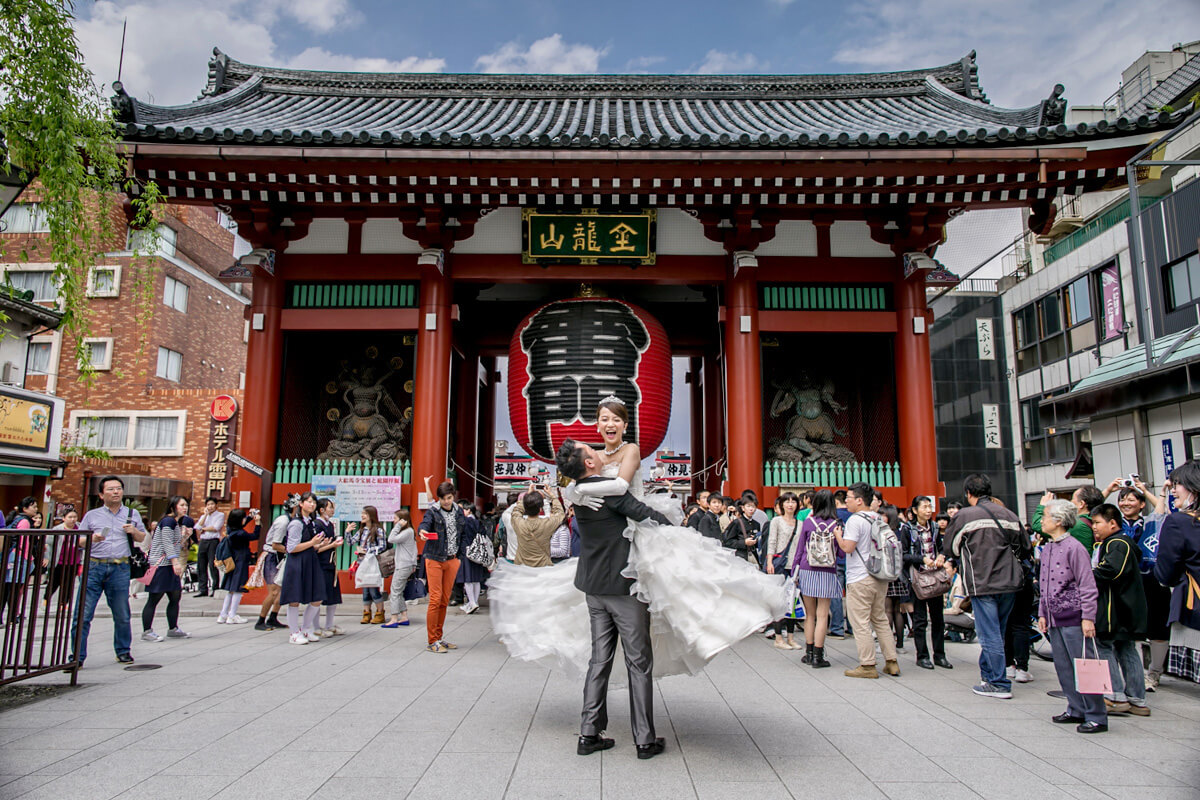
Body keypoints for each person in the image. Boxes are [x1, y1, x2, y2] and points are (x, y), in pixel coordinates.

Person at [489, 397, 787, 682]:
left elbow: (619, 486)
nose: (609, 424)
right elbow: (580, 478)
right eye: (604, 419)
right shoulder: (595, 457)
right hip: (617, 536)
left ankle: (714, 626)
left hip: (640, 522)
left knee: (684, 585)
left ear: (624, 424)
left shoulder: (629, 449)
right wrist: (573, 491)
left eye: (616, 419)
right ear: (596, 425)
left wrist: (580, 492)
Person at [557, 437, 671, 760]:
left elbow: (574, 490)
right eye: (589, 449)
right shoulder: (608, 491)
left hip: (593, 586)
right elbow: (646, 514)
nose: (595, 447)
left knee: (599, 660)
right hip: (624, 589)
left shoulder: (579, 492)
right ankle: (645, 740)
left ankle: (588, 733)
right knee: (638, 662)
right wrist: (680, 530)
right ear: (589, 463)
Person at [943, 474, 1028, 699]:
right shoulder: (1008, 514)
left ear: (968, 494)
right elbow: (1024, 547)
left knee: (989, 633)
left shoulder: (965, 516)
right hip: (1010, 582)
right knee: (997, 630)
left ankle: (998, 683)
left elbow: (951, 547)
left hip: (982, 581)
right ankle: (989, 675)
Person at [1038, 498, 1107, 733]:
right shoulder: (1048, 547)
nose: (1042, 521)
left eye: (1046, 516)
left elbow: (1087, 585)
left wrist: (1088, 617)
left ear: (1058, 521)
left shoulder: (1075, 547)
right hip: (1055, 617)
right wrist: (1042, 613)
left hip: (1074, 616)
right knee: (1064, 666)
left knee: (1083, 666)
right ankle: (1075, 708)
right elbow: (1044, 585)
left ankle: (1096, 715)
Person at [71, 476, 146, 665]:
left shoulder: (132, 514)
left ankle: (123, 651)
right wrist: (92, 539)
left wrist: (133, 531)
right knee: (83, 614)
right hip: (94, 566)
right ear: (101, 494)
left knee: (122, 613)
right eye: (111, 489)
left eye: (119, 488)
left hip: (120, 567)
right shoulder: (92, 515)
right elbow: (79, 542)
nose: (115, 492)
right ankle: (77, 657)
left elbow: (141, 537)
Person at [1107, 479, 1171, 691]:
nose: (1125, 503)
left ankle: (1154, 674)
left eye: (1131, 499)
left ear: (1142, 504)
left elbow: (1162, 512)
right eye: (1122, 499)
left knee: (1158, 628)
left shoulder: (1151, 523)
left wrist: (1147, 490)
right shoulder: (1114, 525)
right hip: (1124, 583)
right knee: (1129, 629)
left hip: (1152, 580)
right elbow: (1091, 512)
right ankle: (1134, 674)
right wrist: (1109, 489)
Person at [834, 482, 899, 679]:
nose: (846, 502)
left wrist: (838, 536)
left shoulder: (855, 520)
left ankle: (868, 664)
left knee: (860, 622)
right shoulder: (878, 518)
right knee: (879, 619)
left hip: (860, 577)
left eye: (849, 498)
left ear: (860, 500)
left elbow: (848, 547)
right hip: (879, 576)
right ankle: (891, 661)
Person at [1090, 503, 1149, 716]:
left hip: (1115, 609)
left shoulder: (1117, 543)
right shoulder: (1123, 542)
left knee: (1106, 646)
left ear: (1113, 523)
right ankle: (1136, 699)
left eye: (1097, 523)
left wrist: (1086, 573)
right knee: (1127, 649)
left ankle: (1115, 696)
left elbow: (1110, 571)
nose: (1094, 527)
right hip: (1127, 608)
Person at [1154, 461, 1200, 685]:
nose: (1173, 489)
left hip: (1195, 609)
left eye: (1177, 484)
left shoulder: (1179, 522)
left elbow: (1165, 573)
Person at [901, 495, 952, 670]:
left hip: (935, 577)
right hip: (919, 578)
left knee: (938, 618)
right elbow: (903, 555)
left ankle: (940, 655)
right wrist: (922, 559)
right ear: (915, 511)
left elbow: (942, 547)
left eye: (929, 507)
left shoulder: (935, 527)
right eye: (924, 507)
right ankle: (922, 656)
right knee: (920, 619)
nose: (928, 510)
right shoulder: (908, 529)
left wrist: (941, 556)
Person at [418, 480, 468, 653]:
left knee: (445, 599)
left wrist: (460, 557)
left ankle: (439, 637)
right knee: (435, 598)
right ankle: (432, 640)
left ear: (453, 496)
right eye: (442, 498)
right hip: (434, 558)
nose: (446, 501)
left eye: (448, 498)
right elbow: (424, 524)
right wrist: (422, 532)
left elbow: (463, 534)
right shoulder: (433, 512)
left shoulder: (459, 511)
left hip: (453, 559)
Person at [794, 489, 841, 668]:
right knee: (822, 615)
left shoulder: (807, 522)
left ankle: (809, 652)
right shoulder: (835, 524)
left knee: (810, 615)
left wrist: (795, 573)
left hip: (807, 569)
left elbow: (800, 549)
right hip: (827, 571)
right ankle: (818, 657)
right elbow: (841, 552)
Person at [141, 495, 190, 642]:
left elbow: (175, 544)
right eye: (181, 505)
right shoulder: (168, 521)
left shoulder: (175, 522)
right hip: (162, 565)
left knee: (175, 596)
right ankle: (147, 631)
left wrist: (185, 537)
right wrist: (176, 563)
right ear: (173, 506)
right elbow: (167, 543)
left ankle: (173, 628)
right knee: (154, 598)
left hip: (169, 565)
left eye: (186, 505)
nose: (185, 507)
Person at [279, 492, 327, 645]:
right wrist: (312, 543)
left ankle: (306, 628)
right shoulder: (296, 523)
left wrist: (320, 545)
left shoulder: (311, 523)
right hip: (297, 563)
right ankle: (294, 632)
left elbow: (310, 545)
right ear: (301, 504)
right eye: (308, 501)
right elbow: (291, 548)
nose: (312, 505)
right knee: (294, 599)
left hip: (310, 561)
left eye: (314, 502)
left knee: (317, 597)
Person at [766, 491, 803, 650]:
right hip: (779, 564)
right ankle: (779, 637)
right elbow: (771, 541)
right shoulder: (776, 521)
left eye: (793, 501)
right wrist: (769, 562)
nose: (790, 504)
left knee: (792, 602)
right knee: (779, 601)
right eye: (786, 501)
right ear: (781, 504)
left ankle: (791, 637)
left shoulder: (800, 523)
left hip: (793, 566)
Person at [255, 495, 298, 631]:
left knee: (281, 590)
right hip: (273, 557)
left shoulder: (292, 520)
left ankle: (273, 617)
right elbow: (275, 544)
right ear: (294, 507)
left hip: (282, 556)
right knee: (273, 591)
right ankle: (261, 620)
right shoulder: (283, 521)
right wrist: (292, 550)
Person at [880, 504, 911, 655]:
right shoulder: (900, 531)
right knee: (898, 610)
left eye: (883, 515)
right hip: (900, 575)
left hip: (886, 574)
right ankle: (900, 644)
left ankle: (887, 645)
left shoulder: (884, 533)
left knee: (887, 610)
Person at [349, 505, 387, 624]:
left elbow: (383, 546)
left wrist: (369, 550)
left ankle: (380, 613)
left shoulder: (378, 530)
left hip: (372, 563)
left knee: (373, 589)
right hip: (362, 563)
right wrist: (348, 532)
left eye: (365, 513)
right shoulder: (362, 530)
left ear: (371, 515)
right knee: (365, 588)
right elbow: (350, 542)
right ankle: (366, 613)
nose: (362, 516)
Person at [313, 498, 345, 636]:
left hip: (331, 563)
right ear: (322, 510)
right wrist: (332, 545)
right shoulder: (317, 525)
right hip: (320, 563)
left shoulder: (330, 525)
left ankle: (329, 624)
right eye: (330, 507)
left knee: (333, 594)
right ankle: (314, 626)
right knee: (318, 596)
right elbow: (316, 548)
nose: (332, 510)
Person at [1033, 487, 1100, 552]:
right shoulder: (1095, 520)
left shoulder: (1077, 525)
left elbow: (1037, 525)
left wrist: (1042, 507)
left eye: (1072, 499)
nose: (1070, 502)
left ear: (1081, 504)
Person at [383, 509, 417, 628]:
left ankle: (393, 618)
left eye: (396, 519)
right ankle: (404, 616)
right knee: (399, 591)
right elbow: (414, 549)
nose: (394, 521)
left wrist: (397, 526)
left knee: (395, 592)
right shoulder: (410, 532)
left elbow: (391, 539)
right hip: (406, 564)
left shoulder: (407, 531)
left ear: (403, 520)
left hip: (403, 565)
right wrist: (413, 564)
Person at [455, 501, 488, 614]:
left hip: (467, 552)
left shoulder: (465, 521)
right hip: (478, 553)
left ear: (468, 510)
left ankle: (472, 602)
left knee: (467, 579)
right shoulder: (478, 522)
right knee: (476, 579)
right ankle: (474, 602)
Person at [45, 507, 81, 606]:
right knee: (54, 582)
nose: (73, 519)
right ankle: (46, 601)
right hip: (59, 560)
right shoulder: (57, 529)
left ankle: (63, 604)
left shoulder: (80, 527)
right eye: (70, 517)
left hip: (74, 561)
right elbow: (48, 544)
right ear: (64, 518)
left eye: (75, 517)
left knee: (68, 584)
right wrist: (47, 557)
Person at [193, 497, 225, 597]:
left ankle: (215, 588)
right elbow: (197, 527)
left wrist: (203, 528)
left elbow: (216, 528)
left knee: (212, 565)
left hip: (213, 541)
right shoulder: (204, 516)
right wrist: (205, 515)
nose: (210, 506)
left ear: (216, 505)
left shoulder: (220, 515)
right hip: (203, 541)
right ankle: (203, 589)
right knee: (201, 565)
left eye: (212, 504)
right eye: (208, 504)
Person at [829, 489, 850, 639]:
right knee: (852, 595)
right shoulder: (854, 516)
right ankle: (853, 627)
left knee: (836, 594)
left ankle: (837, 628)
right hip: (852, 559)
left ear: (836, 501)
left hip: (836, 557)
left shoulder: (832, 516)